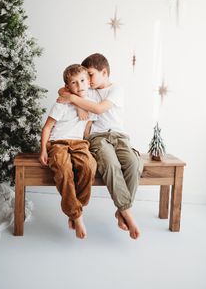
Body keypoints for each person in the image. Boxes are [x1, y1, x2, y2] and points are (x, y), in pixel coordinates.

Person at [57, 53, 143, 239]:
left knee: (134, 163)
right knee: (110, 164)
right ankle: (127, 212)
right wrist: (76, 101)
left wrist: (75, 101)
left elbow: (98, 109)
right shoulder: (87, 89)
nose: (87, 80)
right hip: (98, 137)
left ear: (104, 72)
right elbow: (63, 90)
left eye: (90, 74)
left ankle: (121, 210)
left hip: (120, 136)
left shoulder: (116, 89)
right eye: (85, 77)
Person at [39, 64, 97, 239]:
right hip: (58, 143)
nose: (79, 86)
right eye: (74, 83)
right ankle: (77, 216)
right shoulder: (62, 103)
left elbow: (87, 128)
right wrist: (43, 149)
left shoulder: (90, 103)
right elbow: (47, 127)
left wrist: (89, 147)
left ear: (88, 82)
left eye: (82, 81)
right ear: (67, 87)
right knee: (64, 170)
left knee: (89, 166)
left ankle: (76, 209)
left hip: (79, 143)